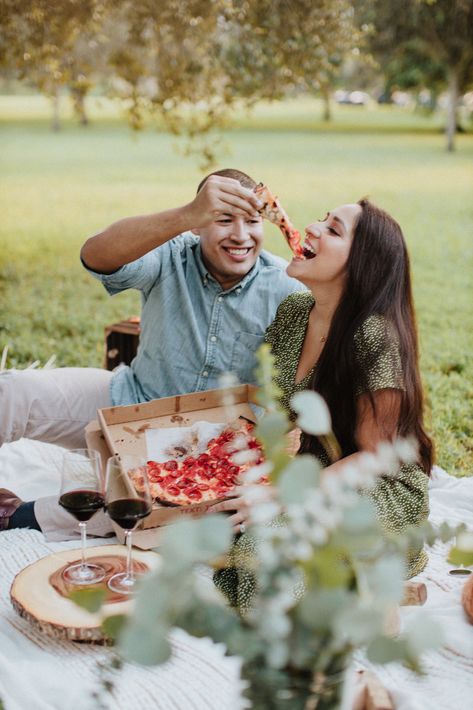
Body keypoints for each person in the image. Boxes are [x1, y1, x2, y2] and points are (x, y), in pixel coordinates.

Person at [0, 168, 304, 536]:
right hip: (128, 400)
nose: (240, 235)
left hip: (204, 450)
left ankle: (16, 516)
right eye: (223, 219)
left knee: (127, 506)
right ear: (198, 225)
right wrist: (185, 214)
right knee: (13, 390)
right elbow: (96, 257)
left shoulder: (288, 287)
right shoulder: (172, 253)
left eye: (252, 221)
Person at [213, 198, 432, 608]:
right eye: (322, 219)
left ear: (361, 265)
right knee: (222, 516)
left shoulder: (374, 337)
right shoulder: (295, 311)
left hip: (374, 487)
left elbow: (377, 458)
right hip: (315, 471)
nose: (311, 227)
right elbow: (280, 417)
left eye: (333, 230)